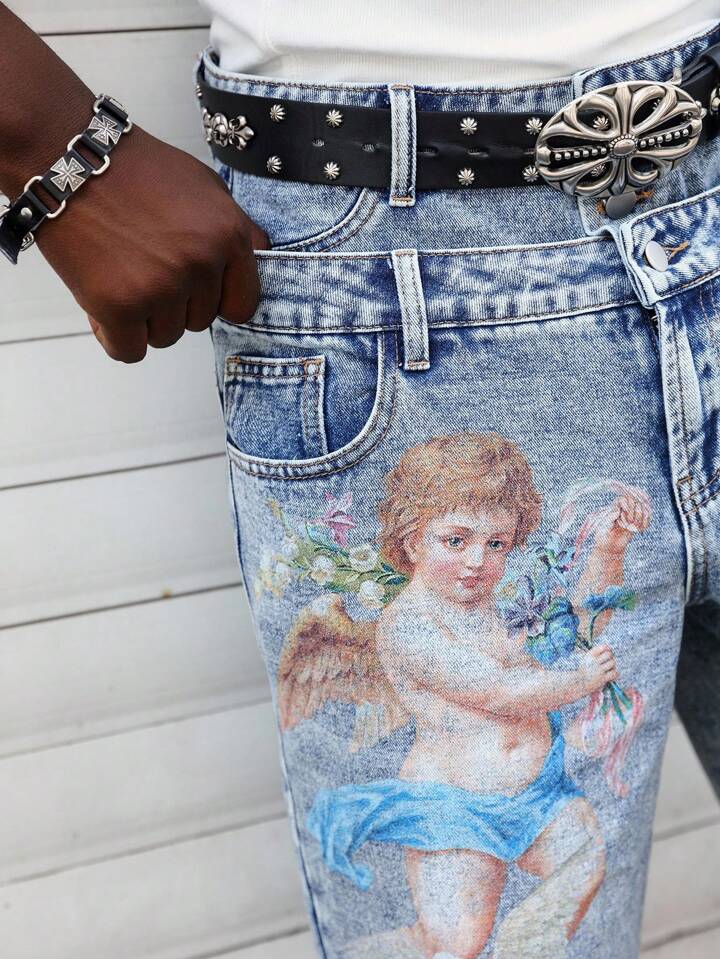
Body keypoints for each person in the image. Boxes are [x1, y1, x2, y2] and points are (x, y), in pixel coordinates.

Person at [2, 3, 720, 958]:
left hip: (701, 156)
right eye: (457, 538)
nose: (482, 559)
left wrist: (611, 544)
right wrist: (52, 147)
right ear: (409, 539)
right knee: (469, 945)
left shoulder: (495, 594)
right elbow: (502, 679)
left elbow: (574, 618)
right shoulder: (415, 625)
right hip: (404, 253)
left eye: (496, 541)